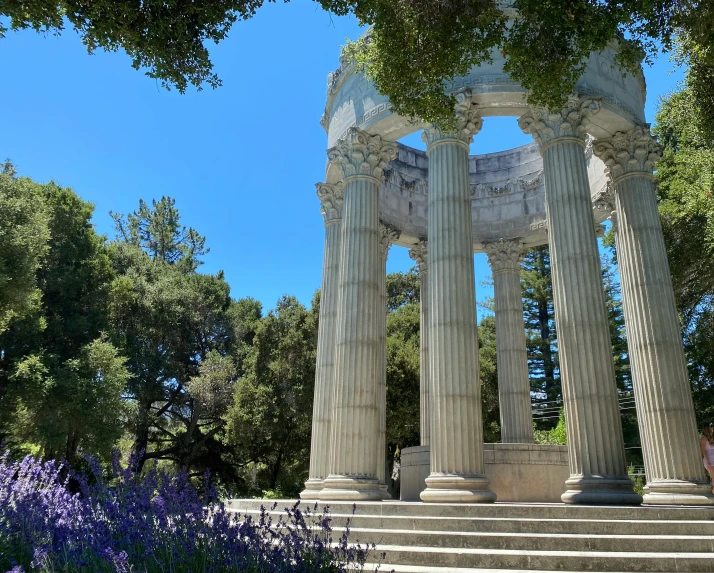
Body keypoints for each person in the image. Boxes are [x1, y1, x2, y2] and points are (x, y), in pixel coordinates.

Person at [700, 422, 714, 494]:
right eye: (711, 426)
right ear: (707, 428)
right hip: (709, 460)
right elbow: (703, 450)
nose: (712, 428)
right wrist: (707, 461)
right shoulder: (704, 438)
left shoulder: (710, 438)